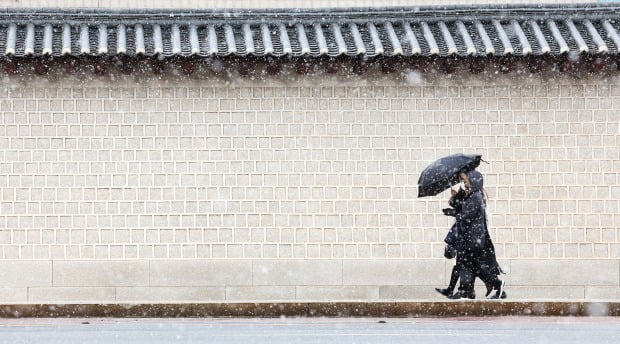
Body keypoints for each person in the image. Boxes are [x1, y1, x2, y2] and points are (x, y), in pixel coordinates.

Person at [443, 170, 506, 300]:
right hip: (471, 238)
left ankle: (496, 285)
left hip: (474, 238)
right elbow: (465, 212)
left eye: (467, 181)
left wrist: (453, 213)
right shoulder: (472, 196)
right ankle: (465, 291)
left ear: (474, 182)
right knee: (469, 265)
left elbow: (467, 216)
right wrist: (455, 204)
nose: (465, 184)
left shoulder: (475, 196)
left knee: (470, 265)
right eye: (464, 181)